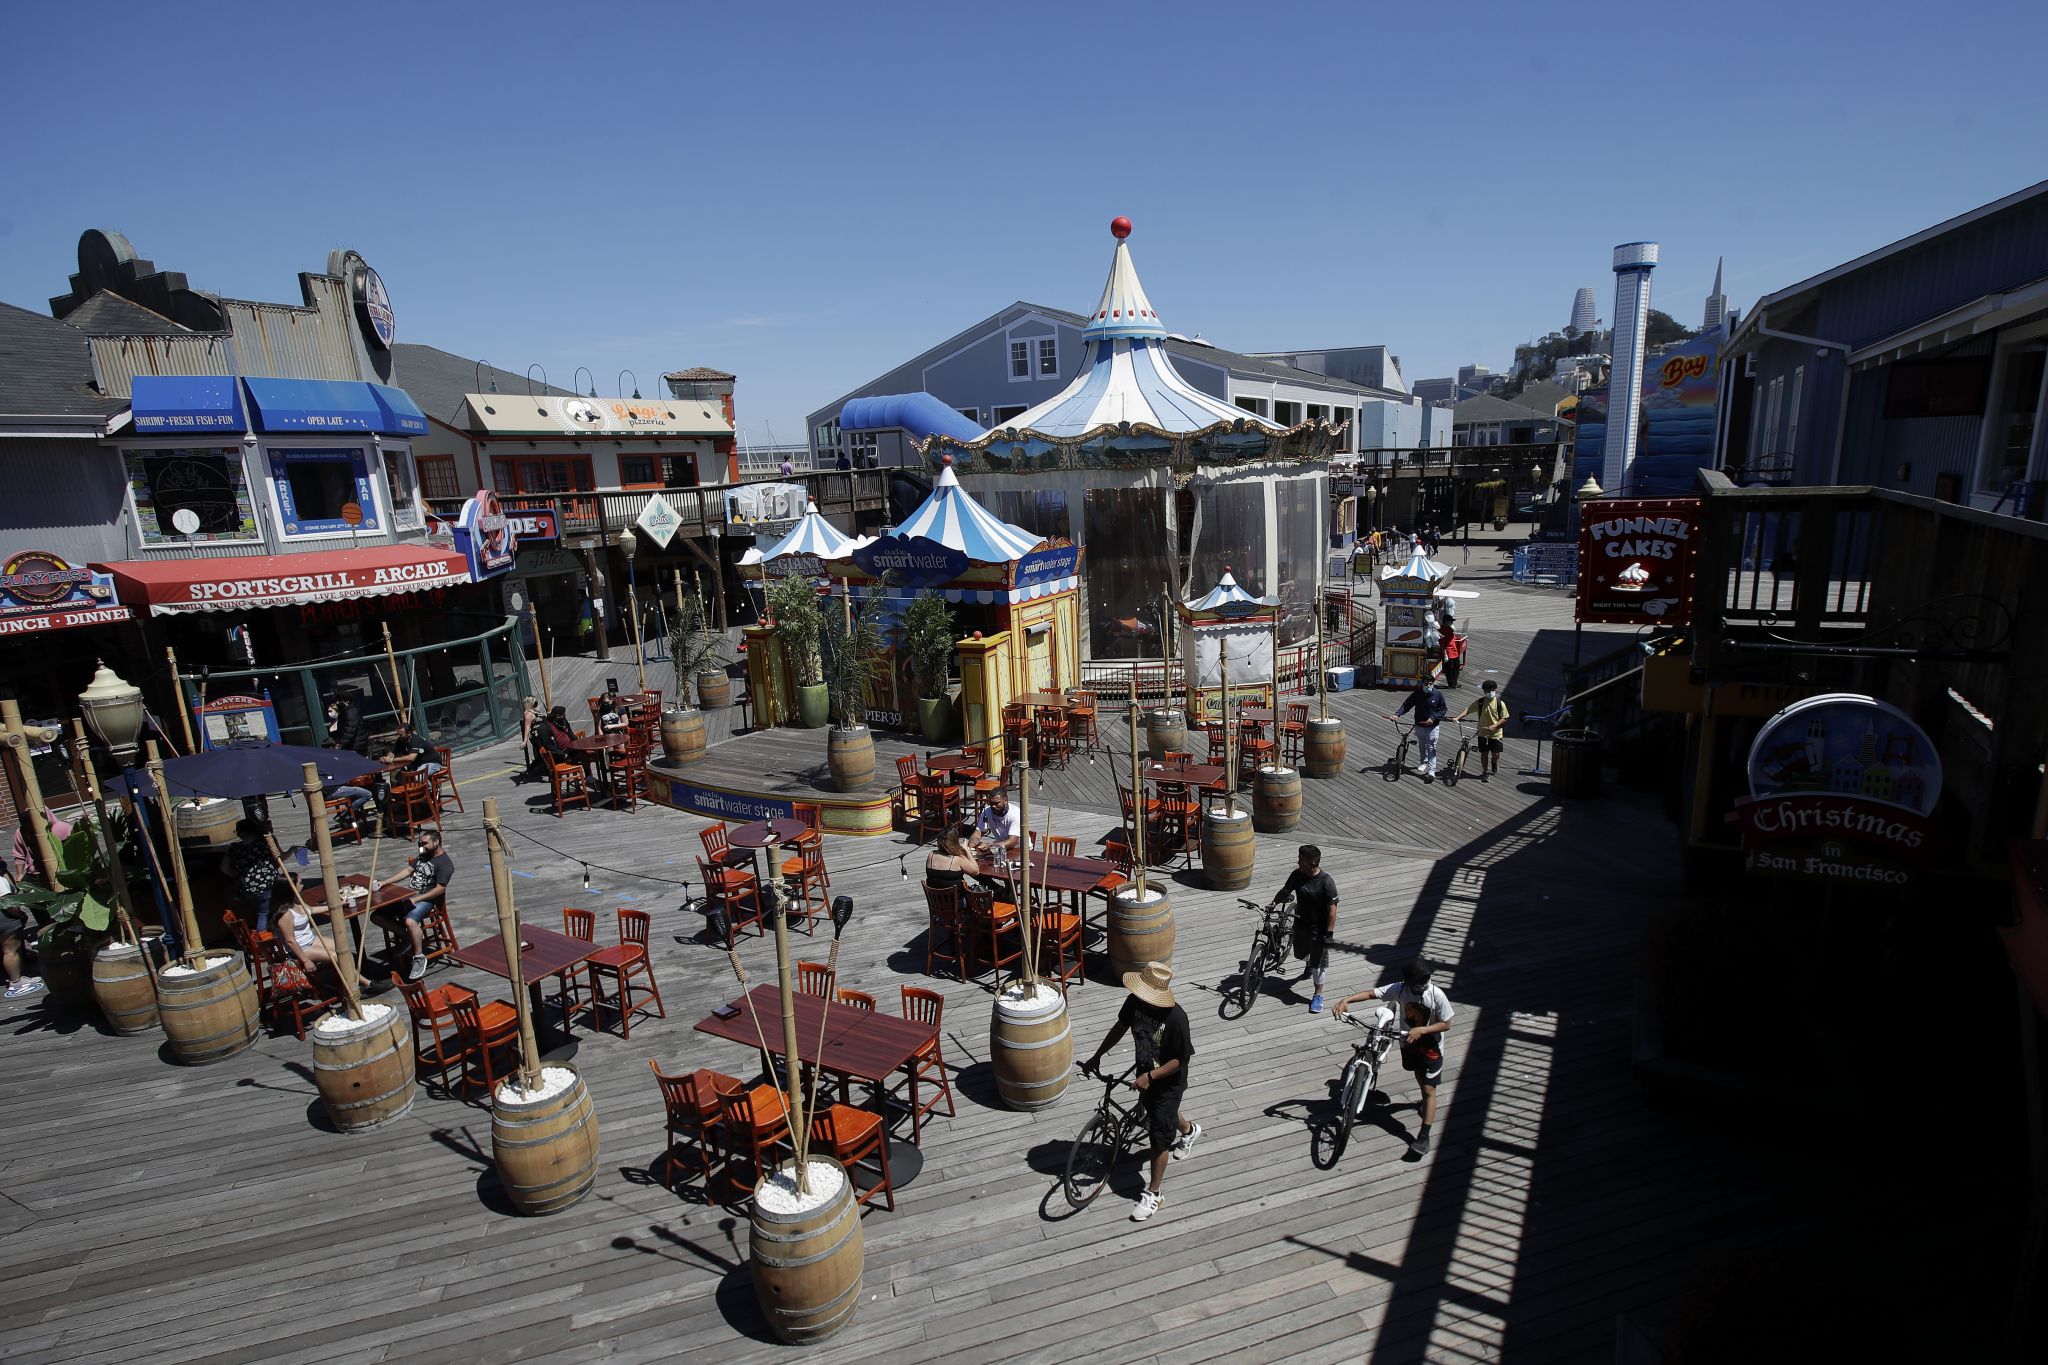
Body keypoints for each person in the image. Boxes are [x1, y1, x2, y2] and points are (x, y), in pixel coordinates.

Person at [1082, 962, 1201, 1223]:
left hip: (1168, 1081)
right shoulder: (1134, 1002)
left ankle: (1153, 1193)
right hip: (1145, 1072)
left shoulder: (1176, 1018)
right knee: (1162, 1115)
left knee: (1159, 1137)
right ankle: (1190, 1131)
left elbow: (1181, 1060)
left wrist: (1151, 1076)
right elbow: (1119, 1028)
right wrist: (1097, 1055)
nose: (1140, 996)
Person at [1331, 958, 1456, 1155]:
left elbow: (1447, 1023)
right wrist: (1346, 1000)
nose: (1424, 985)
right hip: (1408, 1043)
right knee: (1418, 1076)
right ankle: (1423, 1105)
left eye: (1426, 980)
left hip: (1431, 1048)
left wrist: (1422, 1030)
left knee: (1429, 1089)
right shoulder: (1399, 989)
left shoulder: (1436, 994)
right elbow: (1372, 994)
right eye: (1419, 982)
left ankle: (1424, 1137)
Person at [373, 826, 453, 981]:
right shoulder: (424, 855)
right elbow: (408, 871)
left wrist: (417, 899)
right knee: (376, 916)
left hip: (427, 900)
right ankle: (408, 936)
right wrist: (384, 882)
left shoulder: (444, 864)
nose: (421, 846)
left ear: (436, 843)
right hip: (409, 896)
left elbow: (440, 890)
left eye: (424, 843)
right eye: (420, 843)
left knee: (410, 921)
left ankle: (419, 956)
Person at [1269, 844, 1340, 1013]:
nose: (1298, 863)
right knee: (1300, 954)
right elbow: (1286, 891)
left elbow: (1332, 910)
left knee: (1319, 965)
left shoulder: (1326, 882)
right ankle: (1309, 963)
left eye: (1301, 861)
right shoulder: (1297, 874)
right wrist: (1273, 903)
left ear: (1313, 864)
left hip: (1319, 929)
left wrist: (1329, 934)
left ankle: (1317, 995)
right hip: (1300, 924)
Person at [274, 894, 370, 995]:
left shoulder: (297, 900)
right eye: (300, 883)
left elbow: (311, 910)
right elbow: (290, 941)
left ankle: (346, 987)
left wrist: (336, 905)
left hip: (310, 940)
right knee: (338, 957)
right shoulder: (285, 913)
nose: (302, 886)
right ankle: (365, 983)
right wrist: (306, 961)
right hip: (298, 949)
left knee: (344, 951)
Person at [220, 818, 287, 933]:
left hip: (247, 889)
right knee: (265, 914)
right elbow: (280, 859)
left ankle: (273, 937)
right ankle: (264, 940)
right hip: (267, 886)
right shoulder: (265, 844)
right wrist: (292, 850)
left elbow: (224, 868)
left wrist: (238, 875)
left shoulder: (234, 848)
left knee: (262, 912)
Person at [0, 858, 42, 1000]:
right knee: (10, 950)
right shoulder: (0, 882)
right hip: (5, 919)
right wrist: (21, 914)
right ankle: (16, 981)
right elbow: (9, 903)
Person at [1392, 678, 1448, 783]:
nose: (1429, 686)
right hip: (1419, 725)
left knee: (1431, 747)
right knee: (1422, 745)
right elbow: (1406, 705)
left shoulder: (1438, 695)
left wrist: (1433, 718)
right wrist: (1397, 714)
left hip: (1433, 726)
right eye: (1427, 684)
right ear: (1422, 684)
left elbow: (1443, 709)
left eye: (1431, 684)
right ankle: (1423, 762)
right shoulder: (1417, 694)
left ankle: (1432, 771)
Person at [1455, 680, 1509, 781]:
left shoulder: (1500, 703)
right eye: (1488, 690)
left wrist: (1495, 725)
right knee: (1484, 753)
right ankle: (1485, 772)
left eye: (1492, 690)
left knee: (1495, 754)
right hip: (1482, 732)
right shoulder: (1480, 702)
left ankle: (1494, 762)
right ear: (1484, 691)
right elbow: (1468, 710)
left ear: (1495, 690)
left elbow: (1505, 718)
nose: (1490, 692)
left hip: (1496, 733)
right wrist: (1457, 717)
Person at [972, 786, 1021, 857]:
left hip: (1019, 849)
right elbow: (978, 833)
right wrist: (969, 849)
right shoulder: (987, 811)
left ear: (1006, 800)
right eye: (991, 803)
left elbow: (1012, 842)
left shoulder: (1015, 813)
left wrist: (991, 845)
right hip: (1000, 849)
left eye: (996, 803)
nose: (993, 806)